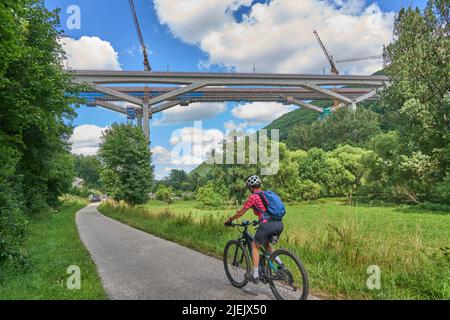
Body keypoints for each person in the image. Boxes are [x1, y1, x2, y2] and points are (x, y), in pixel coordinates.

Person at [224, 175, 284, 283]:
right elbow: (266, 211)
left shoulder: (253, 197)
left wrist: (230, 219)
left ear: (251, 187)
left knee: (254, 246)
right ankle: (281, 266)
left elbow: (241, 212)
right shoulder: (267, 194)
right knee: (266, 245)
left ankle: (255, 275)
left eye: (249, 188)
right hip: (279, 224)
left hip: (267, 225)